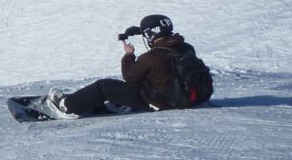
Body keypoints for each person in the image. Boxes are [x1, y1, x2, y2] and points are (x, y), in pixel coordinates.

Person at [41, 14, 196, 118]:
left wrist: (129, 55)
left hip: (160, 102)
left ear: (151, 34)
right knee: (153, 75)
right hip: (184, 97)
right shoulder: (186, 48)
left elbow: (129, 76)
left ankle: (67, 106)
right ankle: (121, 103)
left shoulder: (152, 57)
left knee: (103, 86)